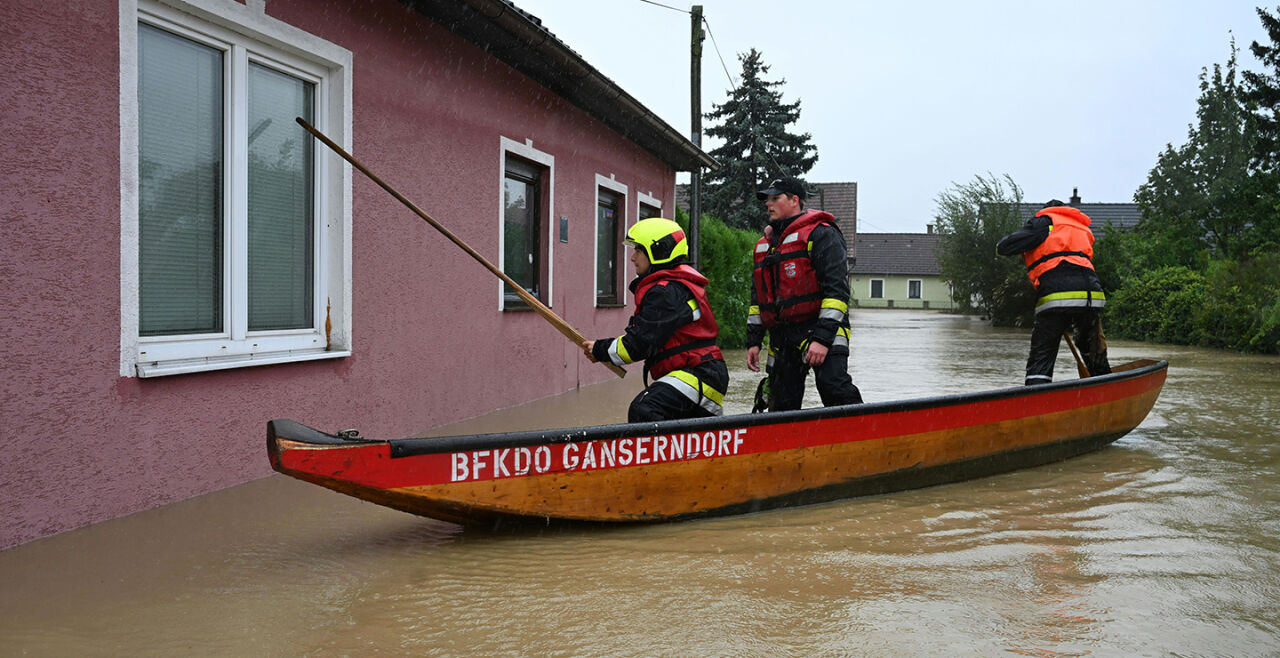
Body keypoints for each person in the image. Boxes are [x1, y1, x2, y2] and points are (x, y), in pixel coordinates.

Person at [582, 217, 729, 422]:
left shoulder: (666, 293)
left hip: (698, 374)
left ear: (659, 252)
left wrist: (600, 349)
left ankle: (654, 455)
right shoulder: (670, 288)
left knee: (645, 409)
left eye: (639, 251)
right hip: (699, 373)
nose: (633, 258)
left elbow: (639, 344)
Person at [746, 176, 863, 410]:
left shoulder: (821, 234)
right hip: (783, 335)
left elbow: (837, 291)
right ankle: (787, 445)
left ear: (794, 200)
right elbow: (758, 298)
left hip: (821, 327)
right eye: (766, 200)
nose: (768, 204)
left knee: (834, 387)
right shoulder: (765, 245)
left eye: (775, 198)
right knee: (781, 402)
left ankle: (866, 436)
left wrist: (821, 339)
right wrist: (754, 341)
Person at [997, 199, 1111, 385]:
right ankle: (1107, 387)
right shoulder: (1082, 228)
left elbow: (1005, 247)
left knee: (1043, 354)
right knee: (1092, 349)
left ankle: (1036, 395)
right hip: (1092, 296)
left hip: (1057, 296)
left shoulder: (1044, 223)